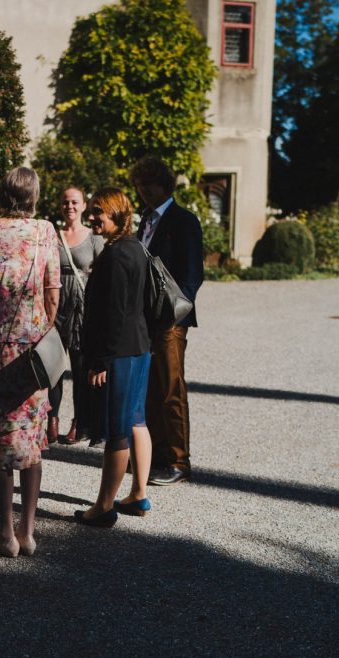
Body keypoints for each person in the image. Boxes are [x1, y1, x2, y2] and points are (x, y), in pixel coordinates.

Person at [0, 167, 60, 558]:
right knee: (32, 438)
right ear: (33, 194)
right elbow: (53, 293)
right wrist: (42, 333)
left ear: (2, 192)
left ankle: (4, 533)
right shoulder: (45, 231)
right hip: (31, 349)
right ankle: (28, 532)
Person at [75, 188, 153, 527]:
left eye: (99, 212)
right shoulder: (135, 248)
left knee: (118, 430)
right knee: (137, 420)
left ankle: (104, 506)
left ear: (117, 215)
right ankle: (138, 494)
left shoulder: (117, 255)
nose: (92, 217)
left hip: (119, 354)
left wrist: (100, 361)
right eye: (92, 211)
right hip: (139, 348)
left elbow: (114, 314)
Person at [130, 156, 204, 485]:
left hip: (171, 320)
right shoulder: (144, 220)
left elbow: (193, 274)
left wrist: (177, 310)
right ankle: (157, 454)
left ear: (164, 184)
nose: (143, 190)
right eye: (139, 185)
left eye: (148, 184)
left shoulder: (184, 220)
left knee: (172, 388)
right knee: (149, 389)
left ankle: (179, 460)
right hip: (143, 319)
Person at [48, 187, 105, 445]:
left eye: (74, 202)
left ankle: (80, 422)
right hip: (55, 307)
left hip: (82, 308)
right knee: (53, 367)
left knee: (81, 369)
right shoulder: (53, 236)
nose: (69, 206)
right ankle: (52, 419)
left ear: (83, 206)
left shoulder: (93, 237)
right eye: (65, 202)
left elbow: (104, 272)